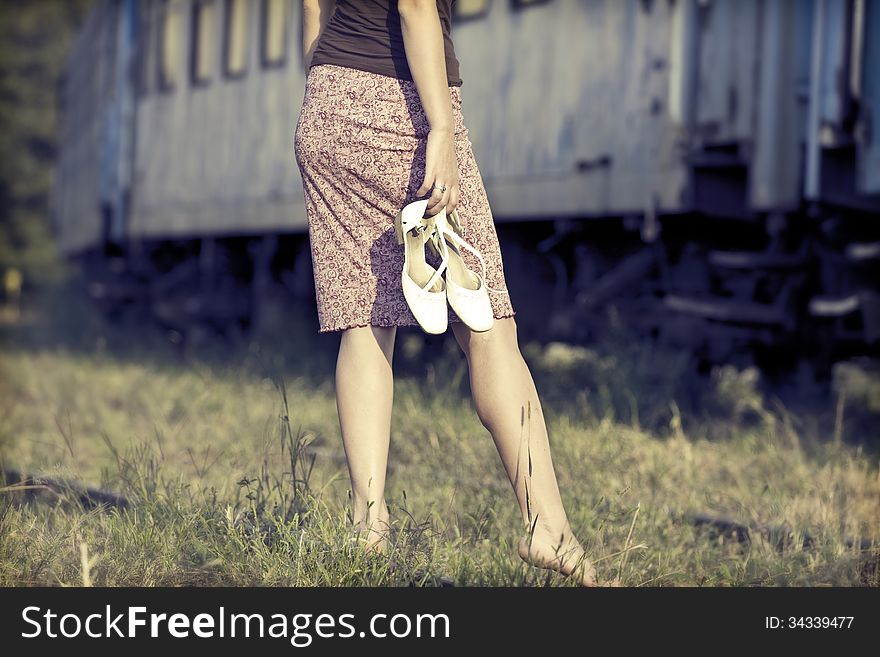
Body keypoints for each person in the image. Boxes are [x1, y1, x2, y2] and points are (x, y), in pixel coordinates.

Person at [294, 0, 607, 586]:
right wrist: (440, 127)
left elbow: (314, 8)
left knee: (363, 321)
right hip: (404, 107)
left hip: (326, 106)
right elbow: (414, 6)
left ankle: (368, 525)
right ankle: (548, 529)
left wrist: (327, 83)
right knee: (488, 325)